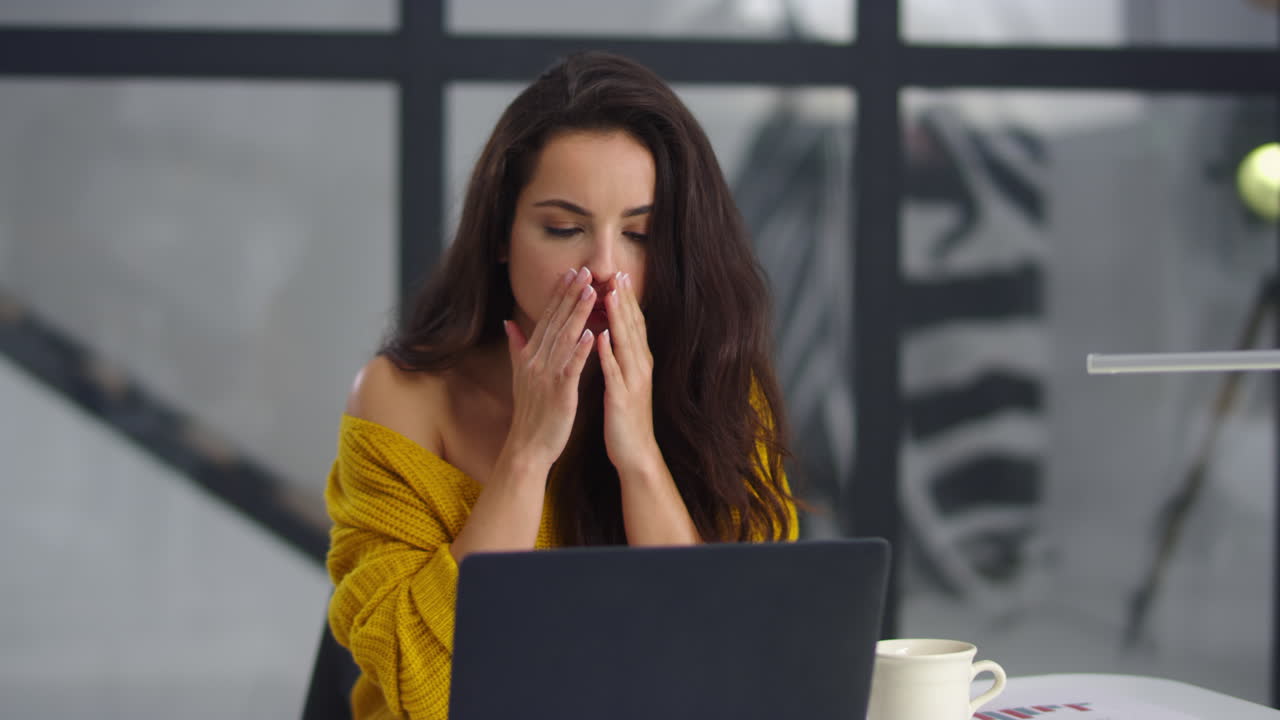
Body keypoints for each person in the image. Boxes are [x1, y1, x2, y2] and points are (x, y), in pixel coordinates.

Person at [324, 50, 799, 720]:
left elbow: (730, 669)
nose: (605, 268)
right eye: (564, 228)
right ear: (500, 235)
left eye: (640, 234)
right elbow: (421, 687)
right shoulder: (400, 400)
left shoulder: (717, 384)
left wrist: (639, 458)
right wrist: (527, 455)